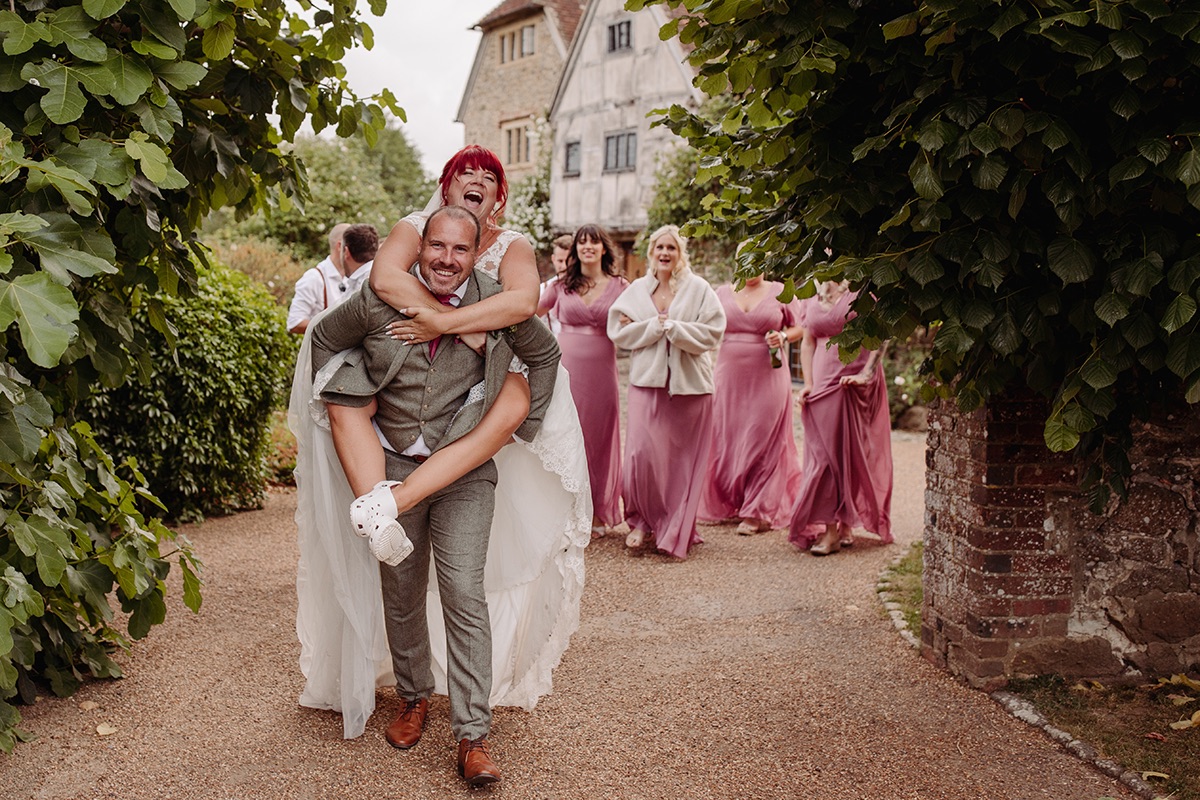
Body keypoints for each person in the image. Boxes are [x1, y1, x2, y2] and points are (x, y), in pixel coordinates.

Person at [290, 145, 590, 753]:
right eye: (437, 247)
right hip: (393, 454)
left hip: (465, 469)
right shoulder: (379, 297)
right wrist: (345, 400)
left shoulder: (497, 307)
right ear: (418, 247)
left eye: (460, 249)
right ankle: (413, 696)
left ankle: (474, 733)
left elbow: (547, 355)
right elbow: (322, 338)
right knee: (400, 590)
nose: (448, 258)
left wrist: (515, 413)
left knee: (462, 589)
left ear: (479, 250)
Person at [608, 225, 725, 559]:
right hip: (647, 384)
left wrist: (674, 328)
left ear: (680, 253)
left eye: (671, 248)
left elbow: (713, 332)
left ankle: (674, 526)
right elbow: (618, 330)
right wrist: (652, 327)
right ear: (651, 252)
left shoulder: (699, 288)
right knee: (641, 457)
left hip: (691, 389)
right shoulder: (637, 290)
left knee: (680, 462)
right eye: (659, 247)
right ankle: (642, 520)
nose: (664, 253)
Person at [788, 280, 894, 556]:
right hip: (823, 382)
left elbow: (882, 333)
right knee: (823, 456)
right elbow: (808, 341)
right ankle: (830, 530)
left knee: (849, 454)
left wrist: (866, 374)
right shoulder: (812, 292)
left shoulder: (861, 290)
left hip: (853, 381)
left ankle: (845, 521)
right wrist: (808, 382)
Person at [539, 224, 627, 535]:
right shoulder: (561, 285)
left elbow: (640, 319)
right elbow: (527, 312)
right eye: (582, 242)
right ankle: (564, 509)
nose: (587, 247)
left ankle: (598, 512)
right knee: (563, 434)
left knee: (599, 438)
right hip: (566, 369)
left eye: (594, 242)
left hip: (602, 373)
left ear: (604, 248)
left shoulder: (621, 286)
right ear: (575, 249)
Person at [700, 272, 804, 534]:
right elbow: (703, 324)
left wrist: (782, 337)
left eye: (756, 260)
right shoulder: (721, 292)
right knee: (728, 437)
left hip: (768, 374)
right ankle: (734, 500)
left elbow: (801, 326)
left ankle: (757, 510)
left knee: (763, 438)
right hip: (729, 376)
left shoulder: (781, 290)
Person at [287, 223, 370, 333]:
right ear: (341, 247)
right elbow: (295, 323)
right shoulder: (314, 277)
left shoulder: (355, 277)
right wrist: (332, 325)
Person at [538, 233, 573, 335]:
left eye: (568, 261)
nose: (564, 266)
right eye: (560, 261)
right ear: (553, 259)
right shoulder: (543, 289)